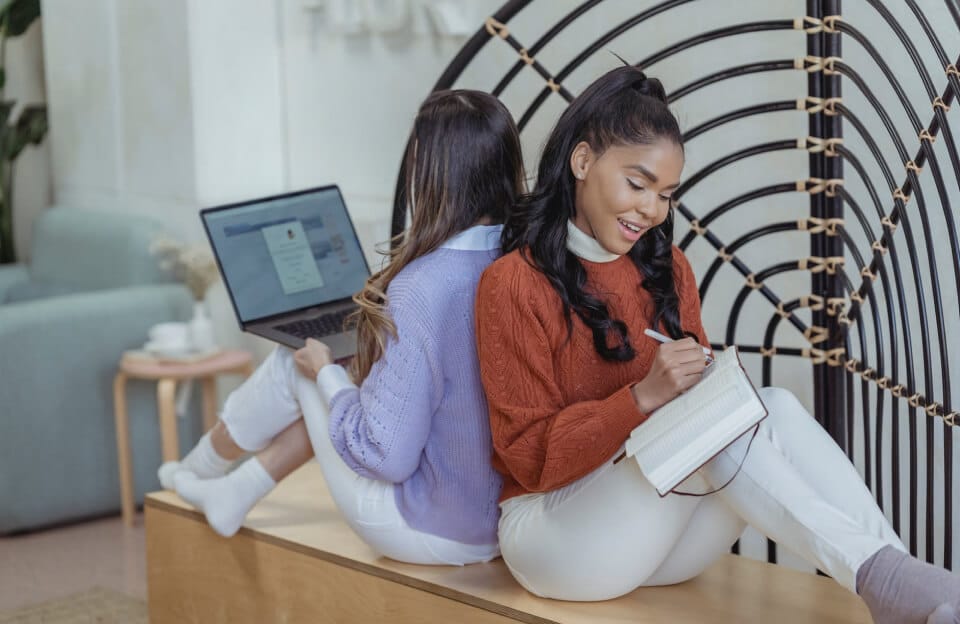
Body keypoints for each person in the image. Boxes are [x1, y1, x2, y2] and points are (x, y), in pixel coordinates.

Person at [474, 65, 959, 623]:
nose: (651, 211)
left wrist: (700, 384)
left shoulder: (667, 267)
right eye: (637, 184)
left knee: (767, 407)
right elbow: (530, 459)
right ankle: (900, 584)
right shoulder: (512, 283)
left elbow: (706, 417)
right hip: (555, 541)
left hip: (652, 540)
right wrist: (642, 397)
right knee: (718, 426)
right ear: (582, 162)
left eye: (665, 194)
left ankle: (906, 584)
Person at [158, 88, 526, 566]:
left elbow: (386, 456)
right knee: (330, 369)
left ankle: (200, 469)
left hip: (432, 529)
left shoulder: (420, 285)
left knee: (299, 360)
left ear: (433, 173)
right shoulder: (523, 260)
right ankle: (229, 489)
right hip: (504, 521)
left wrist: (330, 378)